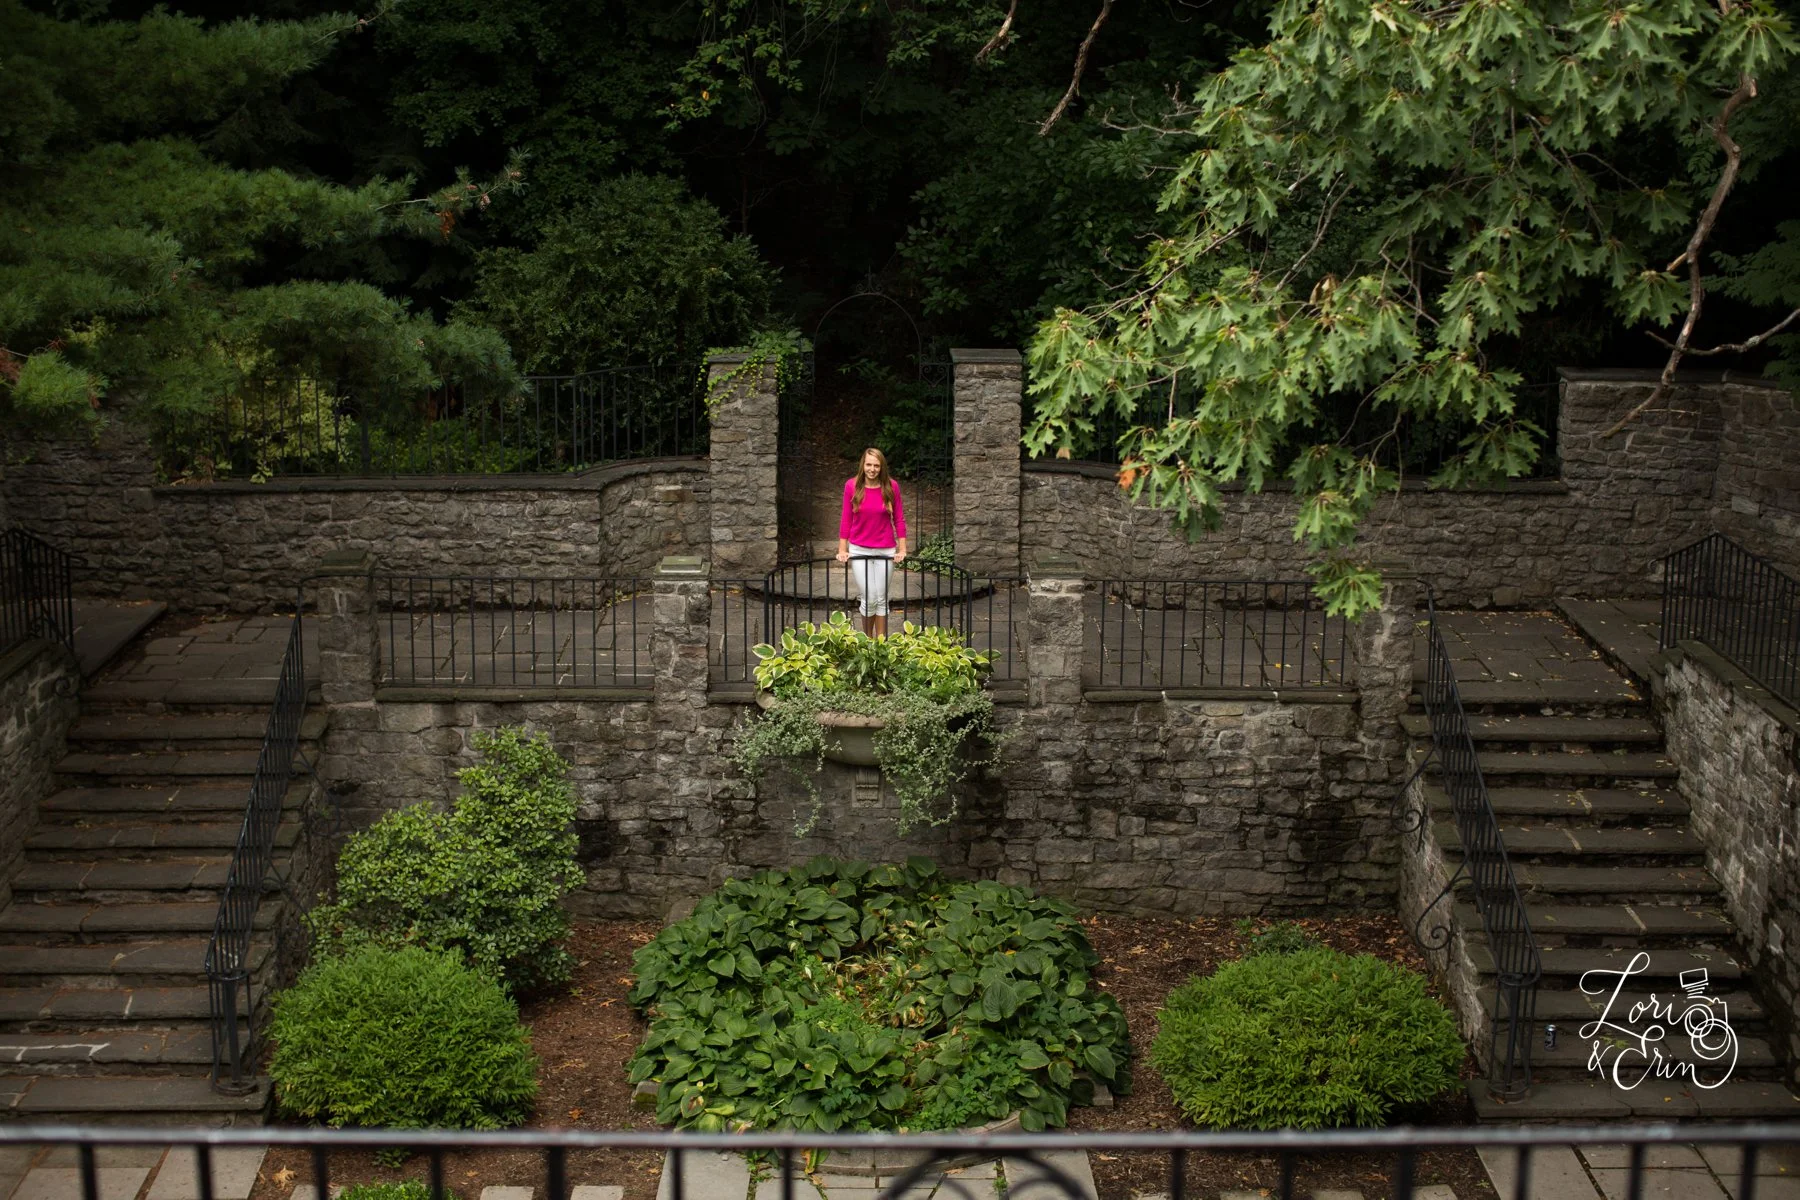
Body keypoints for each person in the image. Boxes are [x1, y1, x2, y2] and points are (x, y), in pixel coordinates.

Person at [836, 447, 907, 636]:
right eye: (869, 464)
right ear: (863, 465)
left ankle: (881, 646)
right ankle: (867, 644)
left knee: (882, 598)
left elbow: (899, 518)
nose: (872, 469)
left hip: (886, 550)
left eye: (876, 465)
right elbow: (846, 518)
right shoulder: (852, 486)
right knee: (868, 597)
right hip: (859, 549)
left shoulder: (892, 487)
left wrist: (902, 549)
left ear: (882, 467)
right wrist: (843, 548)